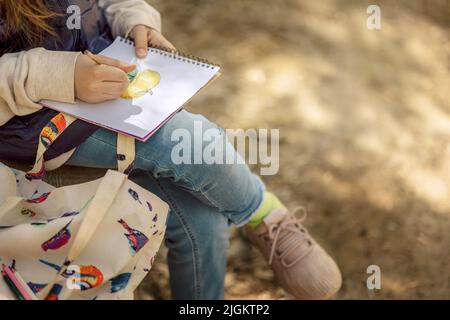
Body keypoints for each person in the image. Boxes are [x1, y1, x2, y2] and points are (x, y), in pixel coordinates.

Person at [0, 0, 342, 300]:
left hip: (105, 82)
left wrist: (136, 21)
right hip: (33, 125)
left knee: (201, 215)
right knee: (190, 140)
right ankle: (263, 213)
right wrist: (62, 75)